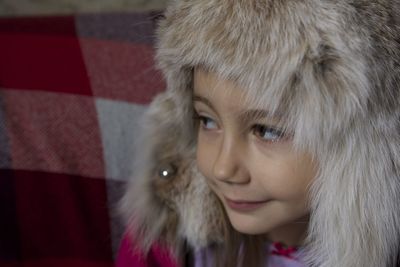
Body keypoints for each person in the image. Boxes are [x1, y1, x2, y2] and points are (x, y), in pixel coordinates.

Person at [117, 0, 400, 266]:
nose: (222, 168)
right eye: (207, 121)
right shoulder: (171, 236)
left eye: (266, 130)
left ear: (365, 149)